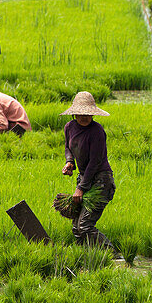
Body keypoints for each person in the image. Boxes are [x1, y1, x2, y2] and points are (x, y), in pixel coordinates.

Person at [61, 91, 116, 250]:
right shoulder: (69, 127)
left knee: (85, 226)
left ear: (93, 113)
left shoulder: (97, 131)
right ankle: (83, 257)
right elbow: (68, 147)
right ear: (74, 113)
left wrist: (80, 188)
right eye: (80, 113)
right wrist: (70, 162)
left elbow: (94, 162)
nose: (84, 117)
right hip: (84, 179)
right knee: (76, 229)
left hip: (100, 181)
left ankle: (113, 256)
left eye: (87, 113)